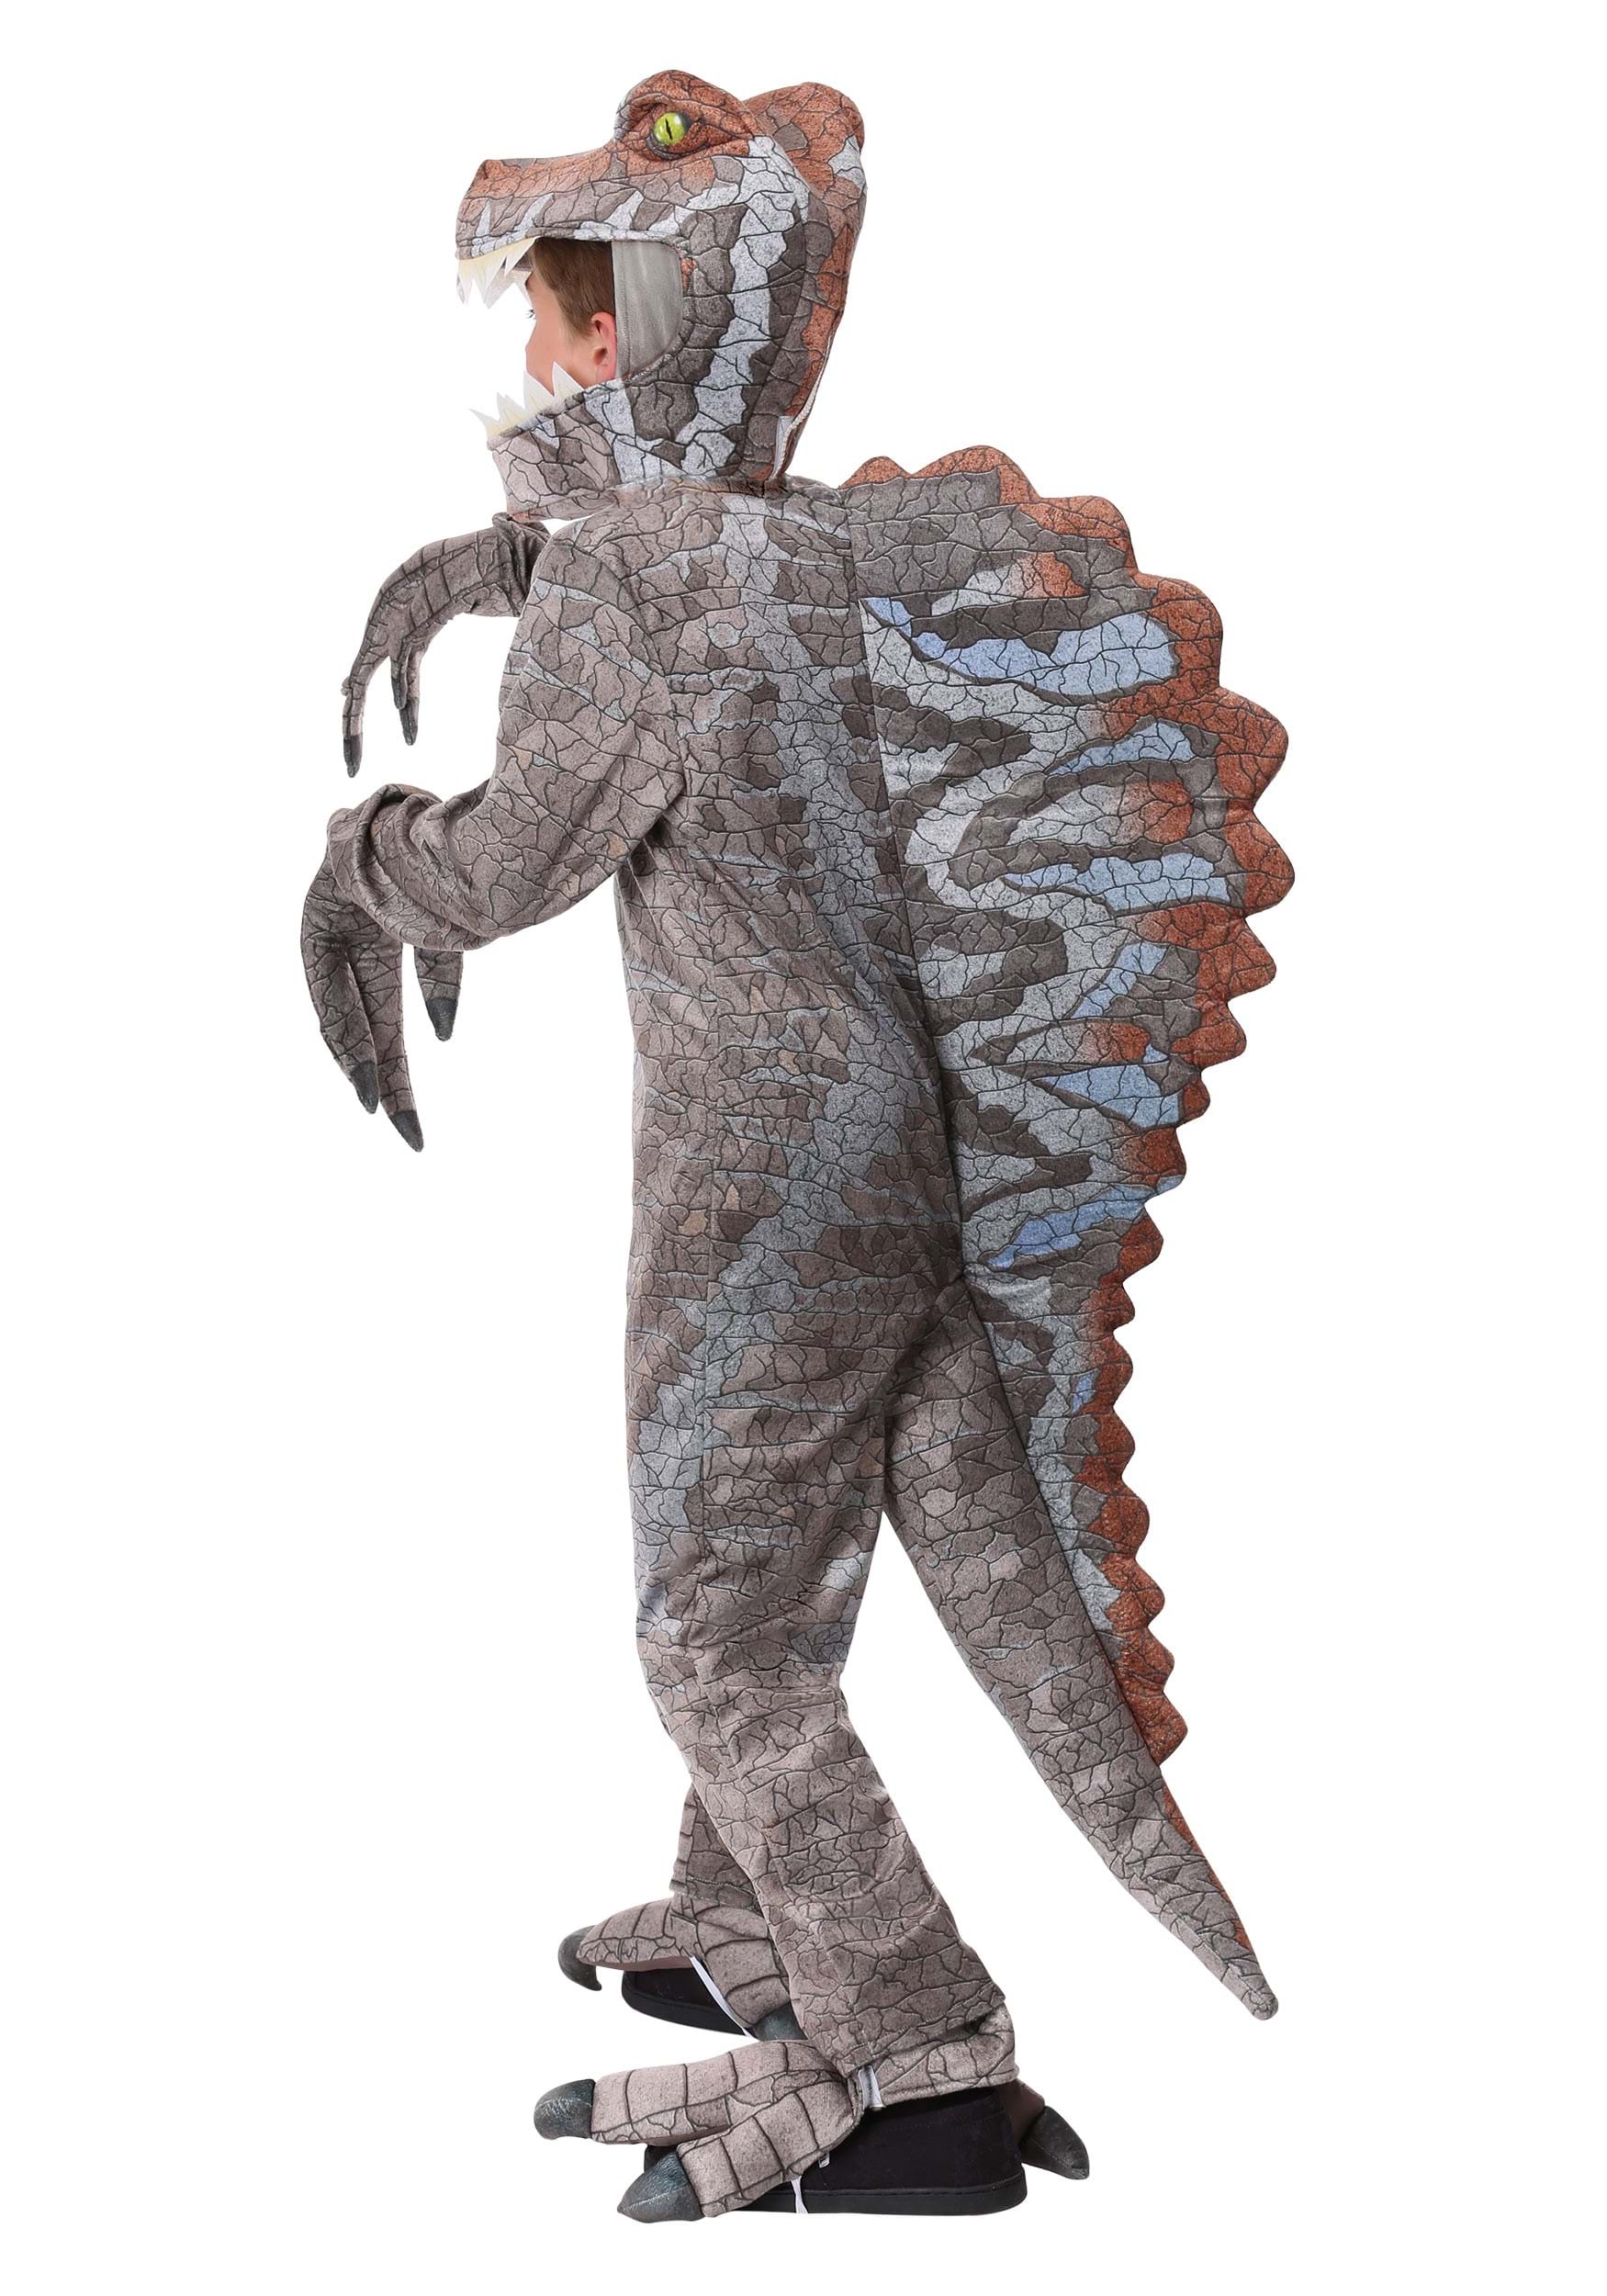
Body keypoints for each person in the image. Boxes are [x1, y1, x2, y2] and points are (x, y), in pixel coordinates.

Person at [303, 67, 1289, 2223]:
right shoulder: (795, 549)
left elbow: (513, 864)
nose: (524, 351)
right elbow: (696, 629)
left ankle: (918, 2054)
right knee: (782, 1564)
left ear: (602, 337)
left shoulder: (632, 585)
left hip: (754, 1169)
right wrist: (515, 567)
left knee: (709, 1630)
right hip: (891, 1144)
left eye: (546, 313)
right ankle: (753, 1919)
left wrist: (359, 858)